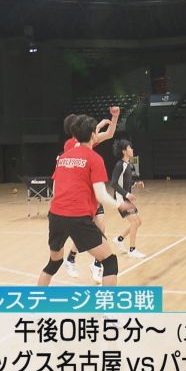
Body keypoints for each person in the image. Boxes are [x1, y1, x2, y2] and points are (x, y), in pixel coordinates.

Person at [39, 115, 133, 288]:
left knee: (53, 263)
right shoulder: (94, 158)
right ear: (93, 135)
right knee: (110, 262)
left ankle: (36, 301)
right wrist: (120, 204)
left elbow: (56, 186)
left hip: (56, 215)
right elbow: (101, 195)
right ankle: (108, 304)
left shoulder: (64, 157)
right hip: (77, 217)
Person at [62, 107, 120, 282]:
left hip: (93, 193)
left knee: (100, 227)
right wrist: (98, 126)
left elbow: (109, 134)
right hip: (81, 196)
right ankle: (71, 258)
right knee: (86, 232)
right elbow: (93, 137)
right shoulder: (71, 145)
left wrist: (114, 118)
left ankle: (95, 264)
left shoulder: (87, 140)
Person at [110, 140, 146, 259]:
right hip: (120, 199)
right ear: (124, 151)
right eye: (129, 148)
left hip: (125, 198)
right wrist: (126, 194)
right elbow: (114, 183)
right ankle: (132, 250)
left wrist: (135, 184)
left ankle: (119, 239)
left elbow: (125, 182)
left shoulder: (127, 164)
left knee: (138, 222)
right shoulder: (120, 165)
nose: (132, 149)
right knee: (134, 222)